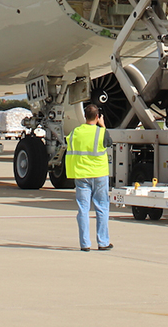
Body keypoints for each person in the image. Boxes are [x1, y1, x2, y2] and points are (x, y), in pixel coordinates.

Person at [66, 103, 112, 252]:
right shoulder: (101, 132)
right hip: (99, 174)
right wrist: (103, 126)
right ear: (97, 117)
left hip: (81, 175)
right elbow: (108, 142)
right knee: (102, 207)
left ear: (85, 116)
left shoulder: (75, 132)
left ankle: (85, 243)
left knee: (83, 209)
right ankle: (103, 242)